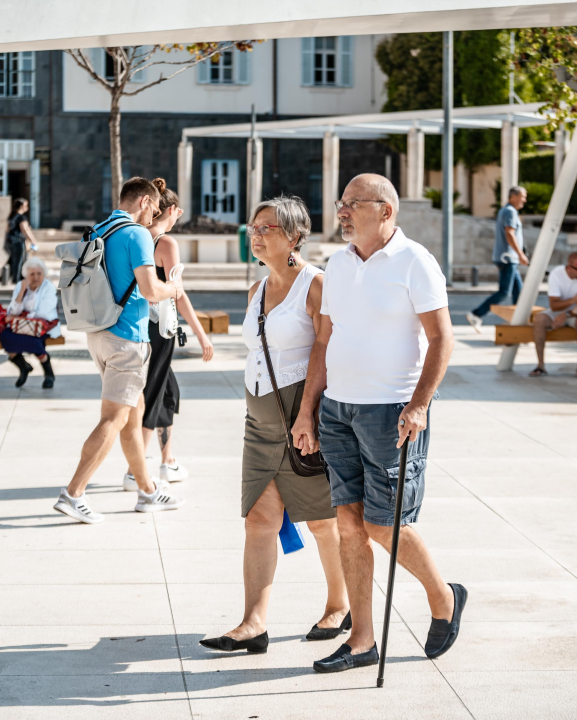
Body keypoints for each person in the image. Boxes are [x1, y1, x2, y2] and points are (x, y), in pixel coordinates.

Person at [292, 174, 465, 674]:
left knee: (383, 524)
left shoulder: (415, 262)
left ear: (385, 210)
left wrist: (420, 404)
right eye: (341, 203)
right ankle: (362, 640)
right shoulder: (338, 265)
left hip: (391, 412)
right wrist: (308, 409)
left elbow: (442, 339)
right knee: (348, 524)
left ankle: (444, 596)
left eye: (353, 204)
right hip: (338, 410)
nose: (342, 212)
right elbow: (324, 341)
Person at [199, 196, 350, 655]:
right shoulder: (256, 290)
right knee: (259, 519)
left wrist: (308, 415)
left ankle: (340, 604)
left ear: (295, 236)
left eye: (267, 227)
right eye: (254, 227)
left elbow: (325, 351)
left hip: (301, 416)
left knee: (322, 519)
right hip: (260, 420)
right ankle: (253, 623)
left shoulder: (316, 284)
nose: (256, 235)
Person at [52, 177, 186, 524]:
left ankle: (147, 491)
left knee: (132, 414)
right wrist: (174, 288)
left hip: (99, 334)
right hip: (128, 340)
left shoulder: (101, 229)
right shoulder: (137, 234)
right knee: (113, 418)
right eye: (154, 208)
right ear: (144, 201)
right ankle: (73, 493)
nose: (153, 216)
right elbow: (151, 290)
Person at [122, 178, 214, 491]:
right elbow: (178, 293)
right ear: (171, 209)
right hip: (160, 329)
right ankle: (135, 472)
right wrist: (202, 335)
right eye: (179, 211)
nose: (179, 216)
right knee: (153, 395)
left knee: (168, 393)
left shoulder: (137, 236)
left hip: (138, 325)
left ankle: (167, 461)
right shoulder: (165, 244)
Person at [466, 186, 530, 332]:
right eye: (523, 197)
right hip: (508, 258)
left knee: (519, 292)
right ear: (513, 197)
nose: (524, 200)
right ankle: (476, 314)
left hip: (509, 258)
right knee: (504, 292)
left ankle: (519, 323)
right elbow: (510, 233)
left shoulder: (506, 210)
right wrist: (521, 254)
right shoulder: (510, 212)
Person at [530, 252, 577, 378]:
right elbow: (554, 305)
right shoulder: (556, 274)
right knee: (539, 319)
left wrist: (566, 314)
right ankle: (540, 365)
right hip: (559, 311)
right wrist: (573, 300)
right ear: (569, 268)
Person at [1, 256, 59, 389]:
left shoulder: (48, 287)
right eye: (32, 274)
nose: (36, 277)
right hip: (22, 326)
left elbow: (44, 312)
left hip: (43, 325)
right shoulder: (21, 286)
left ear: (44, 274)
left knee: (34, 341)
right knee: (6, 337)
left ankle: (49, 374)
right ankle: (24, 368)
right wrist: (21, 291)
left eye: (39, 273)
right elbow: (13, 311)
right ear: (26, 275)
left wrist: (21, 318)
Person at [1, 198, 38, 285]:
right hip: (19, 242)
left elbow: (7, 230)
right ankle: (16, 279)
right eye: (26, 205)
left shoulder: (11, 217)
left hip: (12, 242)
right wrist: (33, 240)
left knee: (14, 260)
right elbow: (24, 230)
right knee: (19, 261)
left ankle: (8, 278)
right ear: (21, 206)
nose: (27, 207)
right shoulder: (21, 217)